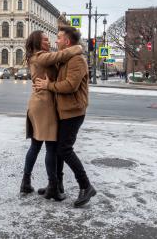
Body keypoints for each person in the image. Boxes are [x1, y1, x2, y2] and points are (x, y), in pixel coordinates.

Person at [34, 26, 96, 207]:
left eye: (59, 38)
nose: (56, 41)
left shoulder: (77, 60)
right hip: (64, 111)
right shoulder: (66, 58)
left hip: (74, 111)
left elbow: (70, 86)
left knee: (64, 150)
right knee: (59, 150)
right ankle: (57, 186)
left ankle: (86, 185)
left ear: (67, 41)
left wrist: (48, 86)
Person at [20, 30, 82, 201]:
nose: (50, 42)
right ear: (38, 43)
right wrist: (77, 48)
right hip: (44, 105)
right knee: (51, 147)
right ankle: (53, 187)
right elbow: (60, 56)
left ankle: (26, 183)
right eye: (46, 40)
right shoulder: (40, 56)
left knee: (36, 145)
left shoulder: (38, 56)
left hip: (40, 103)